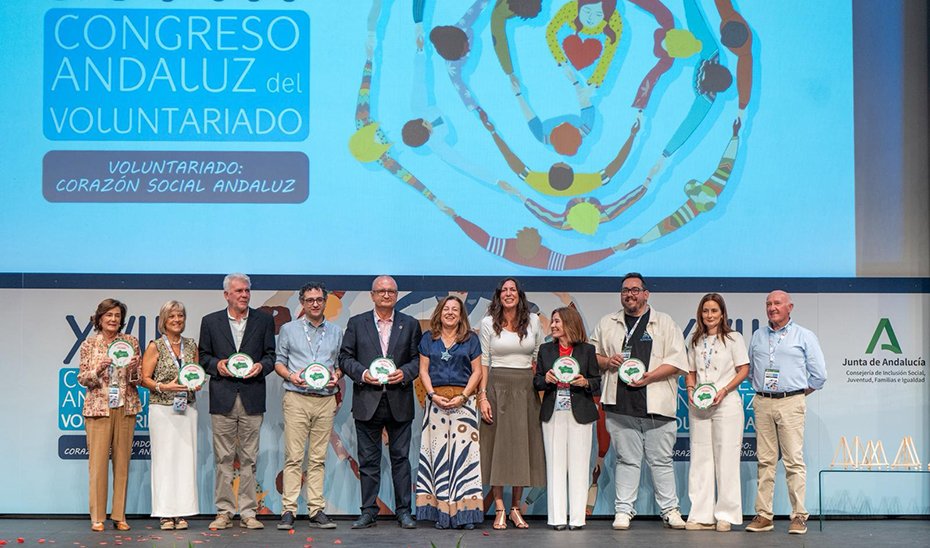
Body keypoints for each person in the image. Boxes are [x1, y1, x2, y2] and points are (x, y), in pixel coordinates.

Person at [591, 273, 687, 530]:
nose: (629, 294)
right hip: (620, 405)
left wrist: (650, 377)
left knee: (662, 461)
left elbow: (678, 361)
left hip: (657, 404)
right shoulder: (607, 322)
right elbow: (593, 355)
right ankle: (623, 510)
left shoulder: (665, 323)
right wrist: (607, 361)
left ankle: (670, 510)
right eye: (625, 290)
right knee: (626, 460)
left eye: (635, 290)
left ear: (646, 293)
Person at [339, 275, 422, 529]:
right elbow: (345, 358)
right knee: (368, 461)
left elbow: (418, 360)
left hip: (399, 400)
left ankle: (404, 511)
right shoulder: (356, 323)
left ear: (396, 296)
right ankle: (368, 510)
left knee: (401, 459)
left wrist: (405, 373)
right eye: (381, 291)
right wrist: (363, 374)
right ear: (372, 295)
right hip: (367, 400)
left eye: (391, 292)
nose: (386, 295)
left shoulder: (409, 324)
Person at [745, 290, 826, 535]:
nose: (772, 307)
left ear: (790, 307)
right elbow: (751, 372)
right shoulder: (758, 335)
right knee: (765, 461)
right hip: (762, 401)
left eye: (777, 303)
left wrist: (797, 395)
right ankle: (763, 515)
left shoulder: (804, 336)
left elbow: (819, 375)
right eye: (768, 304)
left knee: (793, 461)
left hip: (791, 401)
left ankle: (799, 516)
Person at [199, 273, 276, 530]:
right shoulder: (210, 322)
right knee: (223, 458)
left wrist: (260, 367)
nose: (244, 295)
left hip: (252, 396)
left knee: (249, 459)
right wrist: (217, 365)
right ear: (226, 295)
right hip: (223, 397)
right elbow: (203, 357)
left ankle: (248, 512)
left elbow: (270, 356)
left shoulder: (264, 320)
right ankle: (224, 511)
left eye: (247, 291)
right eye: (239, 291)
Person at [274, 282, 343, 530]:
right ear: (302, 303)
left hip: (325, 399)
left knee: (318, 458)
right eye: (310, 300)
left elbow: (339, 364)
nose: (315, 304)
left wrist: (338, 374)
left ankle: (316, 510)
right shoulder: (289, 329)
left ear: (325, 302)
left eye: (319, 300)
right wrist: (291, 376)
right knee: (293, 457)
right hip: (296, 397)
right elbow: (279, 362)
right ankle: (288, 510)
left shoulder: (336, 331)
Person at [477, 278, 546, 530]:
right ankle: (499, 508)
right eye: (504, 290)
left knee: (521, 448)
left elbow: (538, 356)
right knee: (498, 448)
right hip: (497, 387)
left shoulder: (534, 321)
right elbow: (484, 360)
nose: (508, 294)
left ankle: (516, 508)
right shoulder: (487, 323)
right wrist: (482, 396)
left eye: (512, 290)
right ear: (498, 296)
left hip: (525, 389)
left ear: (519, 295)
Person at [415, 296, 484, 530]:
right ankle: (442, 514)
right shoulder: (428, 339)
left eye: (455, 309)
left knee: (464, 459)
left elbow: (477, 372)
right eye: (447, 308)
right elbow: (423, 370)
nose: (451, 312)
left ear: (461, 314)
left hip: (464, 403)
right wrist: (433, 395)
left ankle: (466, 515)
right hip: (436, 403)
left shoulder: (471, 339)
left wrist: (463, 396)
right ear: (439, 312)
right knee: (439, 458)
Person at [683, 293, 749, 532]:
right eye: (705, 311)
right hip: (699, 406)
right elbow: (690, 370)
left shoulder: (733, 338)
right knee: (700, 458)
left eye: (714, 310)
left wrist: (724, 390)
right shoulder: (695, 340)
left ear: (722, 313)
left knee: (727, 459)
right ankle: (701, 514)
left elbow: (743, 369)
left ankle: (726, 515)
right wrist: (690, 388)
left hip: (727, 404)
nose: (709, 315)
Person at [533, 306, 600, 531]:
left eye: (557, 322)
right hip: (553, 412)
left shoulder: (587, 351)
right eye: (552, 322)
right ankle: (557, 517)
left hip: (579, 411)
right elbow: (537, 381)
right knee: (555, 465)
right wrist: (547, 379)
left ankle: (578, 518)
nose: (552, 325)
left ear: (569, 323)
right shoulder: (545, 350)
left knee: (580, 465)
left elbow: (597, 382)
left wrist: (585, 383)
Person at [77, 298, 142, 532]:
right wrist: (98, 369)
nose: (113, 319)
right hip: (98, 408)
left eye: (117, 316)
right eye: (109, 315)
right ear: (100, 318)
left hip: (125, 407)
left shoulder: (131, 342)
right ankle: (97, 517)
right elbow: (83, 378)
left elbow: (138, 381)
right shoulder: (89, 345)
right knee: (97, 465)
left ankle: (119, 515)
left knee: (122, 463)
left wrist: (134, 369)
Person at [140, 301, 201, 531]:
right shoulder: (156, 346)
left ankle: (183, 512)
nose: (177, 320)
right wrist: (164, 387)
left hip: (187, 408)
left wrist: (196, 385)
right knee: (164, 461)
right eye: (172, 316)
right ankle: (165, 514)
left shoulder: (191, 345)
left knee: (185, 461)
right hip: (162, 409)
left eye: (180, 316)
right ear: (163, 321)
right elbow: (144, 379)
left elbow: (195, 374)